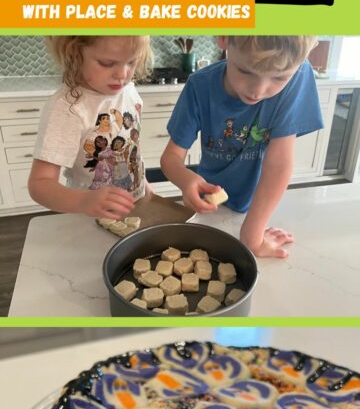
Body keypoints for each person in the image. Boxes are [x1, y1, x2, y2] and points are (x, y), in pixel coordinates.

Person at [160, 36, 323, 258]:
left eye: (278, 77)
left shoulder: (298, 76)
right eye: (246, 71)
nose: (258, 90)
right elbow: (171, 158)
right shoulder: (200, 86)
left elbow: (278, 164)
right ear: (224, 38)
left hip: (260, 207)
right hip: (210, 204)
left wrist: (252, 236)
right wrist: (186, 180)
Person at [28, 36, 153, 219]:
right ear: (75, 53)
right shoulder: (68, 107)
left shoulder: (128, 91)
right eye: (106, 63)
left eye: (131, 62)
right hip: (90, 217)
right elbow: (40, 184)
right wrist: (83, 201)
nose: (122, 74)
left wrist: (144, 185)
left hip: (135, 207)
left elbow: (131, 148)